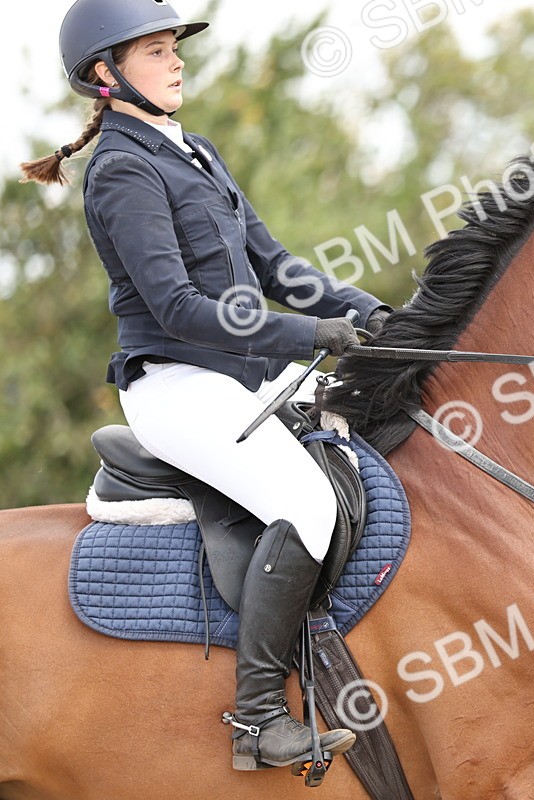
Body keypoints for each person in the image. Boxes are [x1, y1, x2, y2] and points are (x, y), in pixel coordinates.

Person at [21, 0, 392, 771]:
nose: (177, 62)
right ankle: (257, 718)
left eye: (172, 49)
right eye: (156, 51)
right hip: (179, 385)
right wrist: (308, 334)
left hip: (242, 373)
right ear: (106, 74)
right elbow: (179, 308)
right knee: (306, 503)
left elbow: (275, 265)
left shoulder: (194, 151)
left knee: (373, 429)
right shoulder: (122, 170)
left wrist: (370, 311)